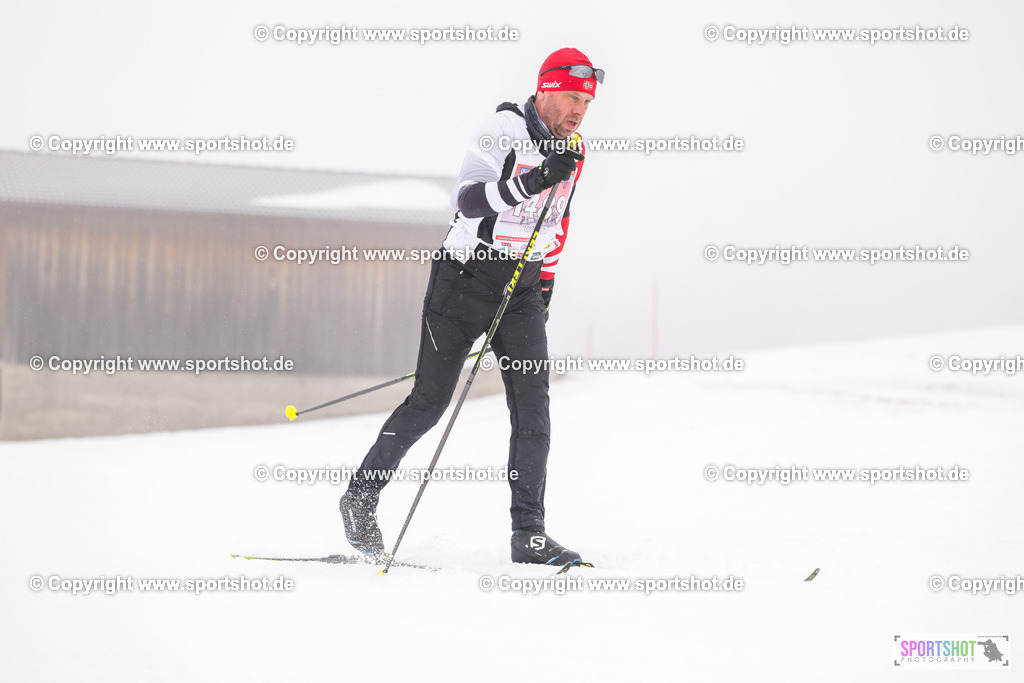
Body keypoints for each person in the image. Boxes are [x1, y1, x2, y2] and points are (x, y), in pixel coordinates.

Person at [340, 47, 602, 565]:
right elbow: (469, 202)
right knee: (429, 403)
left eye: (587, 101)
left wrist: (545, 285)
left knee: (533, 406)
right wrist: (534, 178)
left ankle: (528, 532)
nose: (578, 110)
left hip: (522, 287)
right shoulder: (500, 130)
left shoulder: (576, 148)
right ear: (546, 89)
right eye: (571, 97)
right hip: (463, 280)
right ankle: (360, 498)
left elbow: (559, 219)